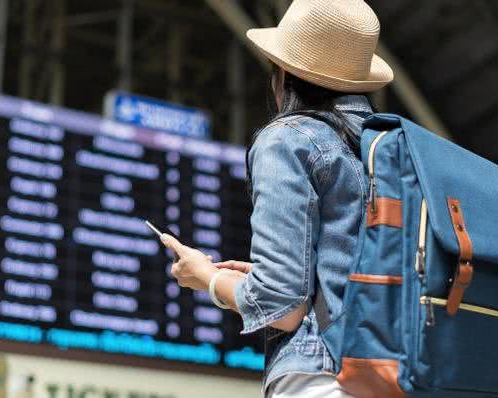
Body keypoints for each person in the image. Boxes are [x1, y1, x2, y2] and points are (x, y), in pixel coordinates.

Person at [163, 0, 393, 396]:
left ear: (284, 71)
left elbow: (284, 309)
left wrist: (208, 279)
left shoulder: (289, 139)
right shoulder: (394, 146)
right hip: (400, 373)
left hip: (327, 377)